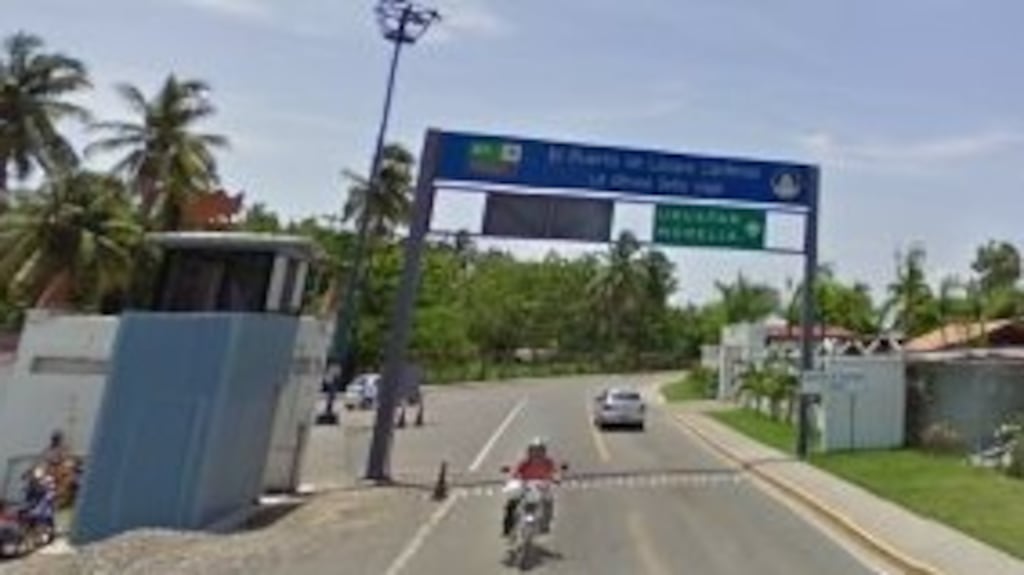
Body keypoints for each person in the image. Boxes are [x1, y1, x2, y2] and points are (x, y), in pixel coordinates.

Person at [502, 437, 560, 537]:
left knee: (549, 501)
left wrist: (556, 478)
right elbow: (515, 471)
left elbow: (555, 471)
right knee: (512, 502)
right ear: (530, 451)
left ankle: (545, 523)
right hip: (526, 485)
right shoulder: (525, 462)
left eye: (539, 451)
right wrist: (513, 478)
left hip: (542, 486)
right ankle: (508, 527)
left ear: (543, 451)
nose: (536, 453)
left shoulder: (548, 462)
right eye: (534, 450)